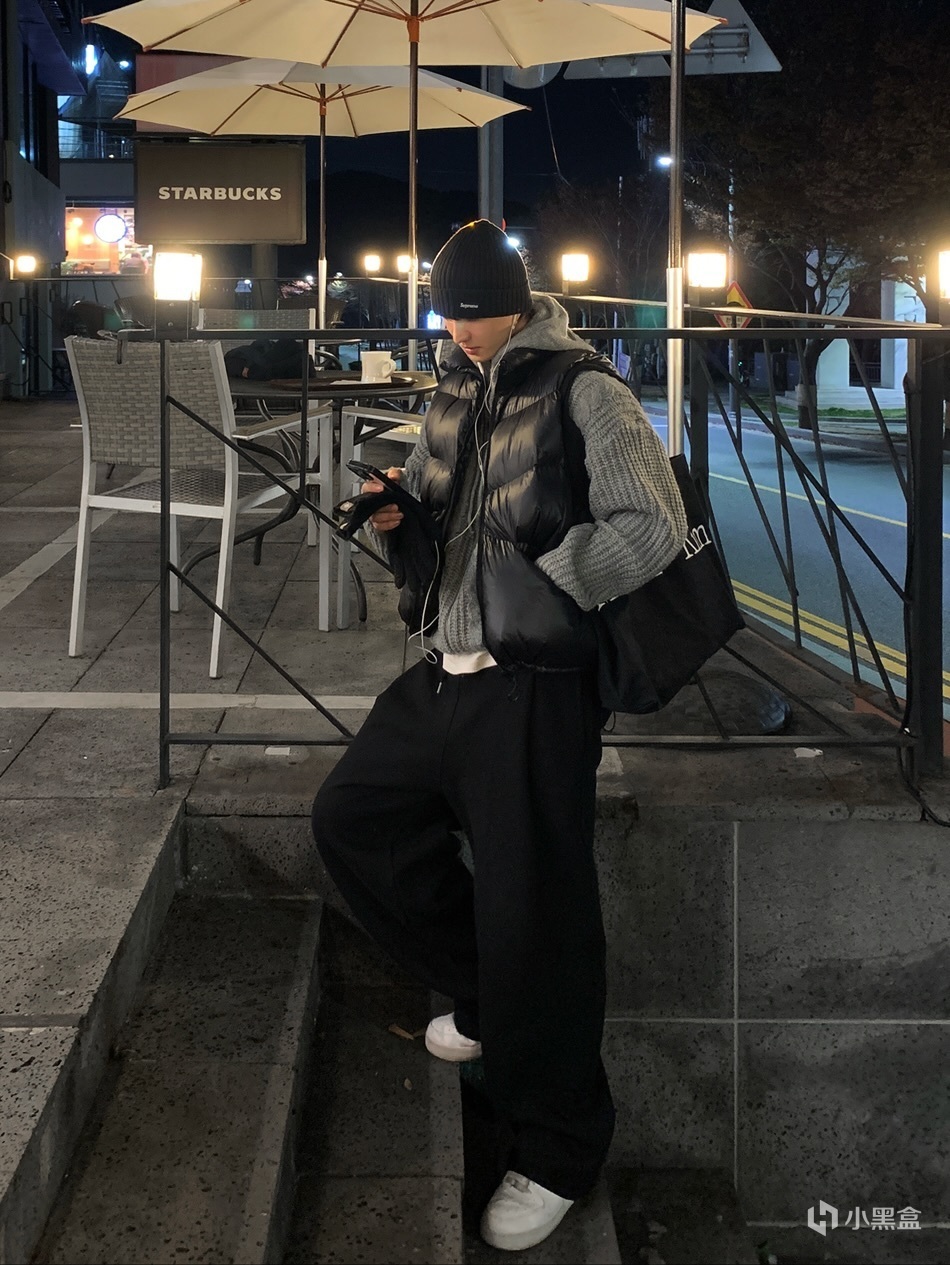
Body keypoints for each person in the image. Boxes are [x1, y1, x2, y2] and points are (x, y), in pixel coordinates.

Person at [311, 219, 687, 1252]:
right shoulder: (449, 390)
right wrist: (401, 521)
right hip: (445, 669)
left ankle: (558, 1147)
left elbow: (651, 525)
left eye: (477, 314)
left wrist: (546, 585)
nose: (462, 331)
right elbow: (442, 527)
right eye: (449, 315)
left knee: (541, 916)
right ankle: (484, 986)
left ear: (518, 305)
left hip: (534, 691)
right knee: (354, 816)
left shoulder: (585, 391)